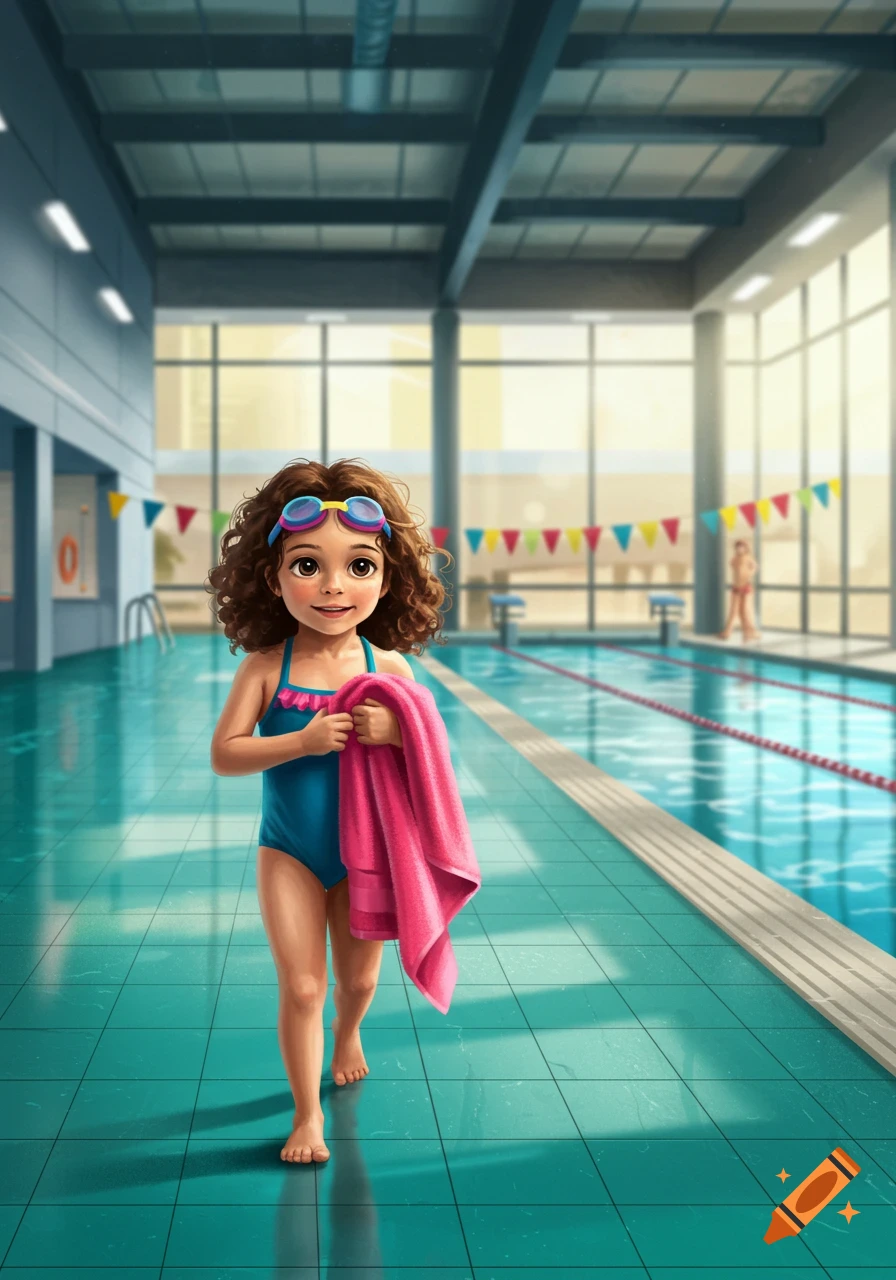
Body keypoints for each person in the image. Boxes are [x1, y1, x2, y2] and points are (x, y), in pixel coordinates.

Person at [208, 458, 449, 1165]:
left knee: (362, 980)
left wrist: (396, 731)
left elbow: (431, 756)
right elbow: (225, 753)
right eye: (308, 565)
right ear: (271, 576)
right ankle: (307, 1115)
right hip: (288, 850)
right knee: (304, 983)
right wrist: (302, 741)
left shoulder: (389, 667)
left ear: (390, 577)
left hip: (366, 851)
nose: (335, 586)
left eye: (360, 567)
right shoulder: (265, 664)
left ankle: (350, 1033)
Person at [718, 537, 759, 642]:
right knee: (733, 611)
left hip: (746, 587)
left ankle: (750, 632)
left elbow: (754, 569)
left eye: (741, 547)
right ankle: (727, 632)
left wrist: (748, 575)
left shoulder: (749, 558)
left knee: (745, 611)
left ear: (746, 548)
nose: (739, 549)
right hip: (736, 587)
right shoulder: (734, 559)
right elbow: (735, 570)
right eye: (738, 547)